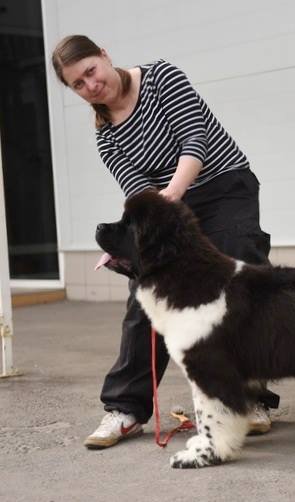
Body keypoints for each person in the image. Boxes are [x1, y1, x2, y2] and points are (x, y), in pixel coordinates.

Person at [52, 35, 280, 449]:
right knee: (146, 294)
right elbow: (138, 191)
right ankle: (125, 409)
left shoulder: (161, 77)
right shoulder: (108, 137)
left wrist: (171, 196)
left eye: (91, 71)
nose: (91, 85)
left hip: (223, 186)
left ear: (104, 55)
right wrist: (130, 249)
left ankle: (250, 397)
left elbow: (196, 141)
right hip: (167, 205)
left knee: (240, 274)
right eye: (78, 85)